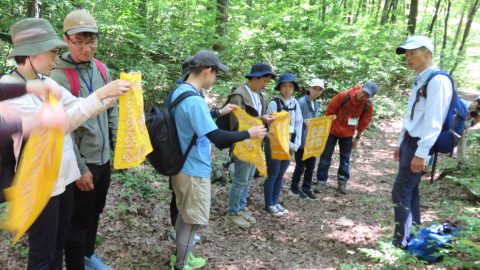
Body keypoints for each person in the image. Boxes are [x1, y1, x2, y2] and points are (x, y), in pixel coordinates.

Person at [0, 17, 130, 270]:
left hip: (63, 179)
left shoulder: (46, 83)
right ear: (31, 53)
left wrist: (110, 97)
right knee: (43, 253)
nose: (56, 58)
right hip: (39, 186)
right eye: (52, 51)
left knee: (58, 245)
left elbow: (76, 106)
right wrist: (102, 95)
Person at [169, 50, 267, 270]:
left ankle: (182, 256)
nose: (215, 79)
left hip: (182, 165)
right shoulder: (193, 100)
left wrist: (217, 112)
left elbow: (191, 121)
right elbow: (218, 138)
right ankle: (181, 264)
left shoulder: (180, 92)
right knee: (192, 219)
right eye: (216, 74)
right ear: (207, 71)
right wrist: (249, 134)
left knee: (185, 215)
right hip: (193, 168)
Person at [49, 9, 117, 270]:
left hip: (104, 159)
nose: (87, 49)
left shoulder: (101, 68)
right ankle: (76, 264)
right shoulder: (59, 78)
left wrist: (113, 144)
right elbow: (61, 129)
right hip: (82, 164)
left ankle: (88, 257)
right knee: (78, 220)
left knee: (95, 213)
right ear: (66, 39)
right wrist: (80, 169)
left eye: (92, 41)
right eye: (80, 42)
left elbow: (112, 108)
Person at [392, 35, 452, 249]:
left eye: (413, 53)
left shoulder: (438, 81)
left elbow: (434, 121)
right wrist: (400, 143)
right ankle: (413, 236)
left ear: (427, 53)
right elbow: (412, 116)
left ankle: (400, 242)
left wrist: (421, 152)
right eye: (407, 54)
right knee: (411, 190)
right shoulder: (421, 78)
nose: (409, 58)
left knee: (400, 190)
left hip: (419, 145)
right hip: (410, 143)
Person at [225, 63, 276, 228]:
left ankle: (240, 207)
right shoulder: (238, 95)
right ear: (254, 78)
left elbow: (256, 116)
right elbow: (235, 123)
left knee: (248, 179)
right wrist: (258, 122)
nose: (265, 85)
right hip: (242, 143)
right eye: (264, 81)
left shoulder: (259, 95)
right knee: (240, 180)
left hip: (256, 143)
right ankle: (232, 213)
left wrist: (263, 119)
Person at [314, 81, 378, 194]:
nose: (363, 96)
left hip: (348, 134)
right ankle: (321, 180)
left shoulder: (367, 105)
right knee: (326, 156)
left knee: (345, 159)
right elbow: (329, 111)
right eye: (364, 92)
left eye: (367, 95)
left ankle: (342, 181)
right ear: (361, 88)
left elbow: (364, 121)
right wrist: (326, 127)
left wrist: (357, 138)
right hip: (332, 130)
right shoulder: (344, 95)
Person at [263, 73, 303, 216]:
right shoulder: (274, 103)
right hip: (274, 144)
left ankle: (275, 201)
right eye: (284, 86)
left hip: (290, 145)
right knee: (272, 174)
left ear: (294, 88)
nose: (287, 89)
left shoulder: (295, 103)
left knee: (281, 174)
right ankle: (269, 204)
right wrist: (286, 143)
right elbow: (270, 128)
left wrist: (295, 144)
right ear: (279, 87)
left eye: (290, 86)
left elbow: (298, 123)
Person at [290, 78, 324, 200]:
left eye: (319, 89)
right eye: (314, 88)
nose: (316, 91)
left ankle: (306, 188)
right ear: (309, 88)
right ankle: (294, 188)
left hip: (312, 140)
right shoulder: (302, 102)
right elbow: (295, 119)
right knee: (300, 165)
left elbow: (315, 120)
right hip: (302, 140)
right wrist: (303, 122)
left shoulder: (316, 103)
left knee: (311, 166)